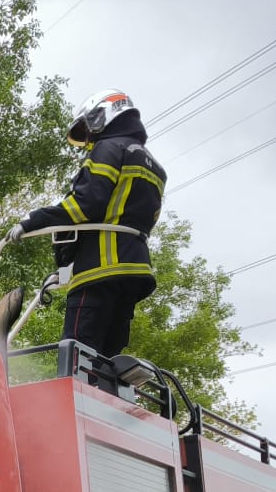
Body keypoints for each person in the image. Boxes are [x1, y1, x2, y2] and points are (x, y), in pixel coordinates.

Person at [9, 90, 167, 361]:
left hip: (99, 272)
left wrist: (34, 220)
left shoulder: (108, 149)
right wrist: (66, 267)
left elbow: (86, 205)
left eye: (88, 130)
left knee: (77, 354)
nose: (89, 140)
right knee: (107, 358)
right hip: (134, 271)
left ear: (103, 115)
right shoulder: (152, 164)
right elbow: (116, 213)